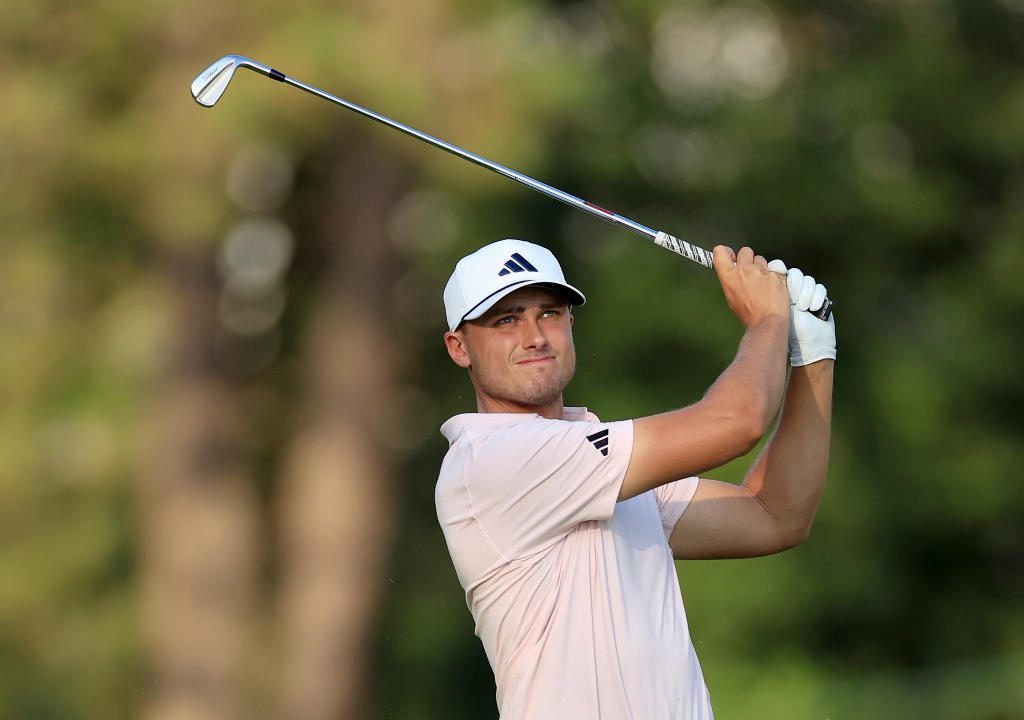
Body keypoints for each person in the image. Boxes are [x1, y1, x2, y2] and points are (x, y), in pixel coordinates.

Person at [435, 238, 835, 719]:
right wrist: (768, 320)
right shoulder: (493, 460)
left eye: (549, 313)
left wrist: (813, 356)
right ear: (459, 347)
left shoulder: (595, 460)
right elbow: (738, 422)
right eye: (506, 319)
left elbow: (775, 515)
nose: (535, 336)